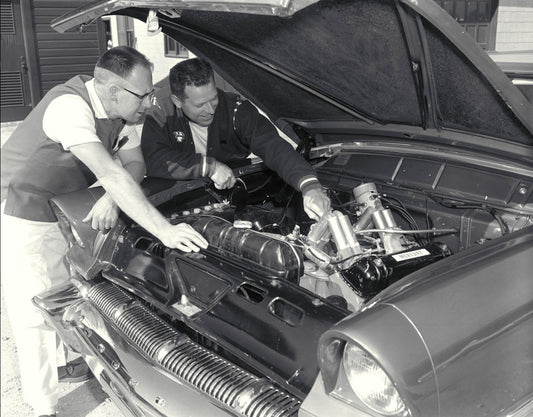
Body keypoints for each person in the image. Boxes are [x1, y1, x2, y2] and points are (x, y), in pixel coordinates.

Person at [0, 46, 208, 417]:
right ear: (113, 90)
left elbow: (134, 164)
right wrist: (164, 230)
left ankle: (69, 359)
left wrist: (114, 200)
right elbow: (110, 171)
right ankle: (43, 405)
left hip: (61, 207)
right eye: (142, 95)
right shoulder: (69, 108)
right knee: (34, 307)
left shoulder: (128, 112)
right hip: (19, 209)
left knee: (72, 288)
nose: (149, 102)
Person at [141, 58, 330, 221]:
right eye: (200, 104)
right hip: (176, 201)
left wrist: (309, 186)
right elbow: (153, 158)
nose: (210, 109)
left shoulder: (237, 111)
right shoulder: (160, 112)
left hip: (234, 197)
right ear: (177, 101)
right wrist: (208, 166)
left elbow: (273, 146)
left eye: (213, 99)